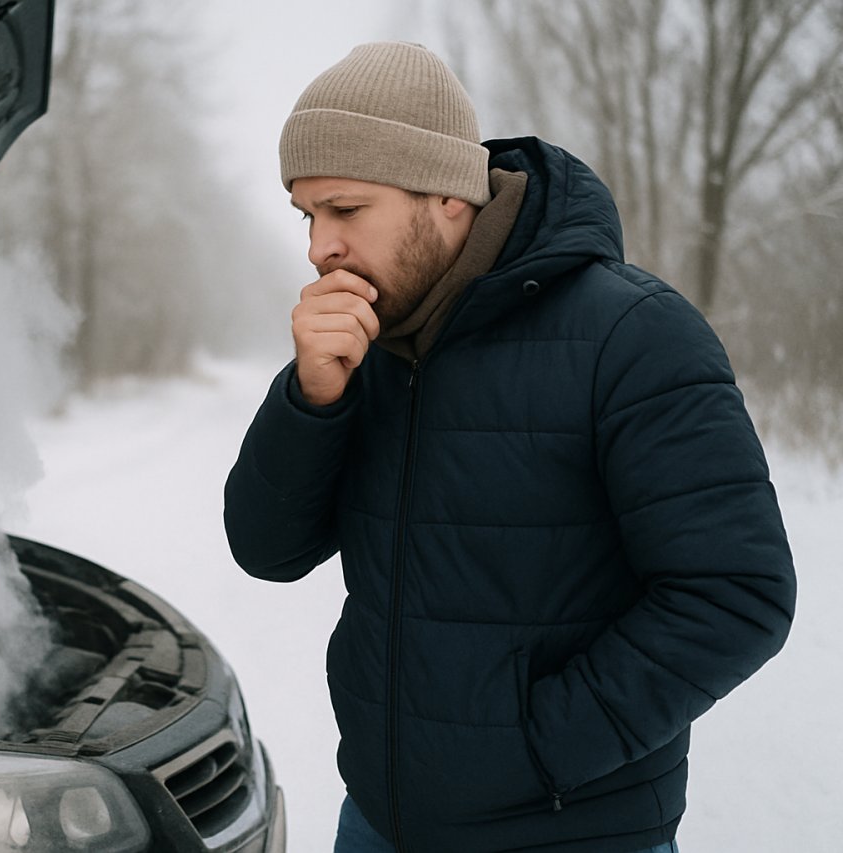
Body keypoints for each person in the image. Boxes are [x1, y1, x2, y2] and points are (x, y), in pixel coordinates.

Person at [223, 42, 796, 853]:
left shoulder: (632, 334)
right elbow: (266, 550)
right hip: (380, 822)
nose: (320, 246)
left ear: (448, 195)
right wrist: (311, 400)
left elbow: (736, 592)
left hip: (569, 833)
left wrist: (537, 751)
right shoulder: (367, 346)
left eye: (345, 209)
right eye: (307, 215)